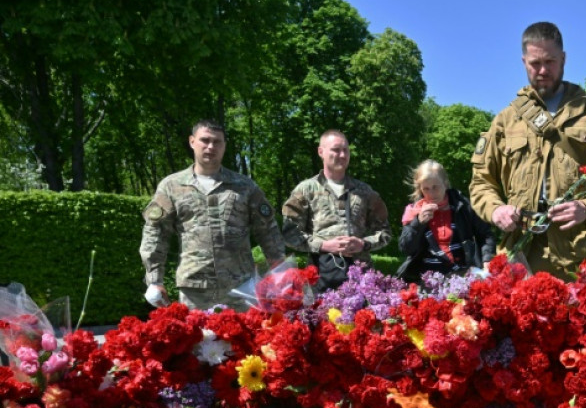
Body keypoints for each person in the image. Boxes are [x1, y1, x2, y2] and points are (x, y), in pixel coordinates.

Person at [469, 21, 586, 280]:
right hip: (522, 255)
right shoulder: (505, 120)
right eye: (535, 63)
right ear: (524, 61)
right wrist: (496, 210)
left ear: (564, 58)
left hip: (582, 253)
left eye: (551, 61)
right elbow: (481, 183)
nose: (543, 70)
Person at [139, 120, 285, 311]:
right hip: (195, 290)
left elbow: (268, 231)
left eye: (217, 142)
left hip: (241, 287)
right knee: (198, 340)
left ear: (224, 145)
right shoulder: (172, 186)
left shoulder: (244, 186)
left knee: (244, 340)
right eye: (204, 140)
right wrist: (154, 280)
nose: (210, 147)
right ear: (192, 142)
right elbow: (155, 234)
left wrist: (281, 272)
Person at [282, 129, 391, 291]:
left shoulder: (365, 192)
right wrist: (323, 245)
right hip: (319, 277)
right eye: (336, 149)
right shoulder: (305, 190)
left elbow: (385, 232)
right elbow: (289, 233)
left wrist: (364, 243)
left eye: (345, 150)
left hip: (361, 280)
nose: (342, 155)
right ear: (321, 152)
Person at [396, 160, 496, 282]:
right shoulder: (414, 211)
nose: (431, 193)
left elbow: (485, 234)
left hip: (463, 276)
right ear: (420, 189)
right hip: (426, 279)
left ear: (445, 183)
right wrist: (418, 223)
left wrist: (487, 259)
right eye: (426, 189)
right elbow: (406, 248)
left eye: (435, 187)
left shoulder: (462, 206)